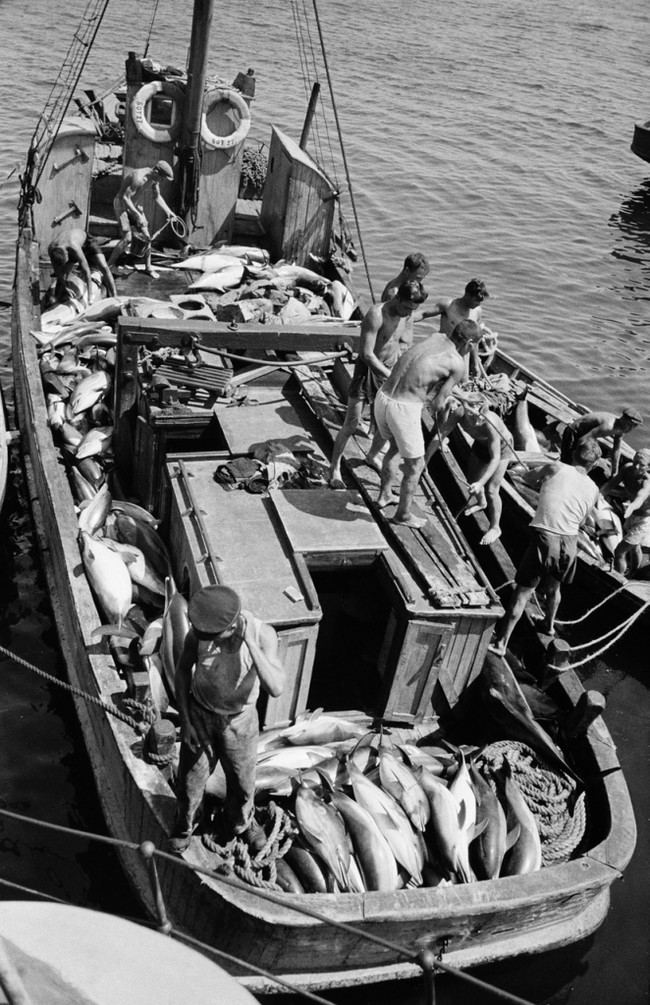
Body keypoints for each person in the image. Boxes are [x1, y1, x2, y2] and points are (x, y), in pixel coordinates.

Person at [170, 584, 285, 854]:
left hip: (240, 721)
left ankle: (240, 825)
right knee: (189, 782)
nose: (209, 641)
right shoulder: (197, 637)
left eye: (215, 636)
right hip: (200, 713)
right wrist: (185, 721)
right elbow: (182, 672)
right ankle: (185, 823)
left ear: (233, 626)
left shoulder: (263, 635)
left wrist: (251, 644)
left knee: (243, 784)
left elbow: (276, 687)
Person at [488, 439, 602, 655]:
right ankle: (549, 626)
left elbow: (527, 476)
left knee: (522, 593)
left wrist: (536, 480)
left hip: (545, 539)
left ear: (574, 453)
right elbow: (582, 520)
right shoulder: (594, 489)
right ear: (594, 466)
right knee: (554, 588)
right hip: (569, 542)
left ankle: (501, 644)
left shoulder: (555, 467)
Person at [374, 319, 483, 528]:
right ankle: (403, 516)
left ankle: (385, 495)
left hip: (384, 397)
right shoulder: (458, 363)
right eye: (474, 346)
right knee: (416, 466)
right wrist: (456, 406)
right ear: (469, 343)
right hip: (404, 409)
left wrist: (461, 396)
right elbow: (437, 404)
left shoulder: (436, 337)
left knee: (395, 448)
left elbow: (427, 371)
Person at [328, 279, 428, 489]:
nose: (410, 313)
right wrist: (390, 376)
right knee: (351, 423)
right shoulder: (376, 314)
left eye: (414, 309)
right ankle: (334, 467)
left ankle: (372, 456)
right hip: (368, 372)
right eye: (408, 307)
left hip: (389, 371)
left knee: (386, 426)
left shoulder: (405, 315)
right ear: (398, 298)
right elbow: (366, 354)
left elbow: (399, 345)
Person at [426, 392, 515, 545]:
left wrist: (482, 483)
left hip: (502, 449)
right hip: (480, 445)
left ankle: (495, 527)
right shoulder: (460, 413)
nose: (477, 420)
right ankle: (482, 503)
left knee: (492, 490)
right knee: (471, 480)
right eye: (473, 415)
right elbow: (441, 434)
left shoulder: (489, 423)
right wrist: (425, 461)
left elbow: (495, 458)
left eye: (480, 415)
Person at [107, 160, 175, 279]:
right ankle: (109, 266)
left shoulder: (154, 179)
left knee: (147, 237)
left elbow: (157, 196)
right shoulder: (138, 177)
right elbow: (125, 198)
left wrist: (168, 211)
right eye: (162, 178)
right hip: (121, 204)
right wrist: (137, 215)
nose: (161, 181)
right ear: (156, 171)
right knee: (127, 238)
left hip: (134, 205)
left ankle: (148, 268)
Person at [418, 278, 490, 378]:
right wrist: (405, 319)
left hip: (462, 357)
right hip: (442, 352)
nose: (478, 304)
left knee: (462, 385)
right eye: (476, 301)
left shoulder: (477, 311)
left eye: (480, 302)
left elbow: (475, 341)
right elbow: (423, 314)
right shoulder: (448, 305)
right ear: (467, 295)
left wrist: (475, 364)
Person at [604, 448, 650, 575]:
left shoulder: (647, 482)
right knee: (634, 546)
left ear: (648, 467)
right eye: (635, 461)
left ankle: (617, 578)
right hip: (632, 516)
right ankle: (633, 572)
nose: (636, 466)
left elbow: (640, 498)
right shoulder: (627, 469)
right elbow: (610, 484)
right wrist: (600, 493)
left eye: (641, 464)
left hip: (644, 521)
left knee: (619, 551)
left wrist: (632, 506)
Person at [560, 408, 643, 477]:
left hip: (587, 435)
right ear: (623, 419)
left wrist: (615, 472)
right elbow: (583, 439)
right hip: (574, 432)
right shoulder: (608, 426)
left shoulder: (620, 429)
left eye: (633, 427)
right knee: (567, 461)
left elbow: (616, 450)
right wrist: (577, 457)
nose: (630, 429)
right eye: (629, 425)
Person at [48, 227, 118, 300]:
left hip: (87, 242)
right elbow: (58, 272)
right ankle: (57, 298)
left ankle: (115, 296)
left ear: (67, 253)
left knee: (104, 266)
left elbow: (86, 270)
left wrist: (90, 296)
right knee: (63, 275)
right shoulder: (51, 249)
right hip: (69, 247)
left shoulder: (74, 245)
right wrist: (66, 288)